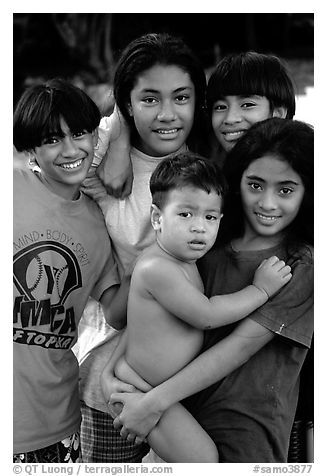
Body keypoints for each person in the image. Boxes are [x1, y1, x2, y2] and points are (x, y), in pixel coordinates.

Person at [108, 118, 313, 463]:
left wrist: (151, 401)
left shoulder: (299, 265)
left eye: (286, 190)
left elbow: (237, 349)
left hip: (242, 429)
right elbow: (145, 320)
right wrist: (110, 373)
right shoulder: (204, 250)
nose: (267, 203)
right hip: (177, 409)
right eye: (255, 185)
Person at [76, 32, 210, 463]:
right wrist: (116, 137)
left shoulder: (210, 165)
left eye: (181, 98)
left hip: (195, 375)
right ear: (127, 104)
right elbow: (48, 160)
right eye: (149, 99)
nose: (168, 115)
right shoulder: (100, 169)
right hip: (116, 376)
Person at [13, 78, 129, 463]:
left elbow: (115, 310)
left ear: (96, 137)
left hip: (57, 424)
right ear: (31, 148)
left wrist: (160, 254)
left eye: (79, 133)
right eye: (51, 139)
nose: (70, 149)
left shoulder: (98, 222)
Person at [97, 50, 296, 196]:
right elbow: (130, 96)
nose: (231, 118)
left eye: (248, 104)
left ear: (278, 113)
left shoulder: (304, 168)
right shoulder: (207, 151)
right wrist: (119, 142)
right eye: (220, 107)